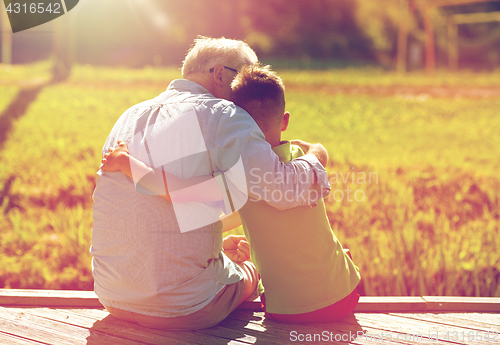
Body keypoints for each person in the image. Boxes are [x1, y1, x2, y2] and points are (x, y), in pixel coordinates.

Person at [91, 36, 331, 330]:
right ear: (219, 73)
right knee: (255, 270)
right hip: (184, 307)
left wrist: (213, 242)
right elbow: (283, 189)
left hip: (111, 295)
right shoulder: (226, 115)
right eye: (243, 78)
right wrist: (317, 155)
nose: (247, 91)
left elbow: (170, 199)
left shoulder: (130, 116)